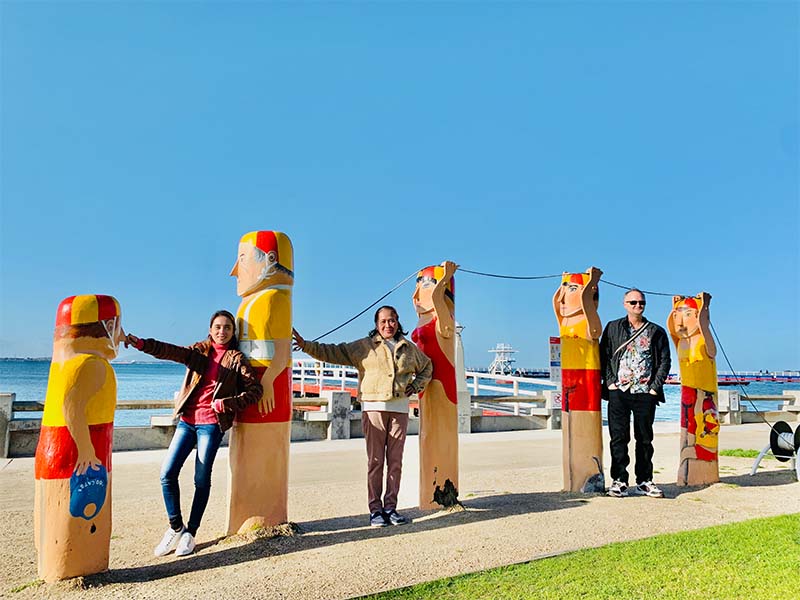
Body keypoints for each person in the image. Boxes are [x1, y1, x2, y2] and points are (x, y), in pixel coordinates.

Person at [126, 310, 263, 557]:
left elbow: (255, 391)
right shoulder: (199, 351)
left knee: (201, 479)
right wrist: (141, 344)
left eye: (227, 328)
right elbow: (171, 351)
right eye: (218, 327)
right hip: (187, 422)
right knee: (167, 474)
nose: (222, 331)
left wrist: (227, 403)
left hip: (210, 425)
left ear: (233, 333)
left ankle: (190, 533)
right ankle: (175, 527)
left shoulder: (236, 359)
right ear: (210, 330)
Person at [293, 306, 432, 527]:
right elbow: (332, 352)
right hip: (373, 408)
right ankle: (375, 510)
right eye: (384, 321)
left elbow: (427, 367)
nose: (389, 325)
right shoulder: (364, 347)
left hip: (399, 409)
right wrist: (305, 345)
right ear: (376, 324)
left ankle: (391, 507)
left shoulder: (408, 348)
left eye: (392, 320)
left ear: (398, 322)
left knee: (395, 462)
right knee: (375, 461)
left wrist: (415, 386)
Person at [600, 288, 671, 498]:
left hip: (644, 392)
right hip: (619, 391)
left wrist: (654, 388)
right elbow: (603, 355)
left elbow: (665, 361)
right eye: (633, 302)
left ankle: (644, 481)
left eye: (641, 303)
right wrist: (610, 382)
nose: (637, 306)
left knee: (645, 439)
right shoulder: (613, 327)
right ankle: (619, 481)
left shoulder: (655, 331)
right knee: (618, 438)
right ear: (624, 304)